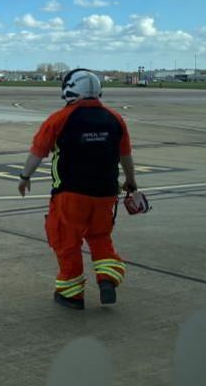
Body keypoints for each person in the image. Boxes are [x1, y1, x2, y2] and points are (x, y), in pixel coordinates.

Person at [17, 69, 137, 310]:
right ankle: (107, 278)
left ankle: (71, 293)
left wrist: (25, 176)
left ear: (70, 89)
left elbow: (38, 152)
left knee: (67, 241)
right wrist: (131, 182)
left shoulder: (59, 119)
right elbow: (125, 156)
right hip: (105, 194)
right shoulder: (115, 119)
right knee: (100, 236)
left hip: (71, 194)